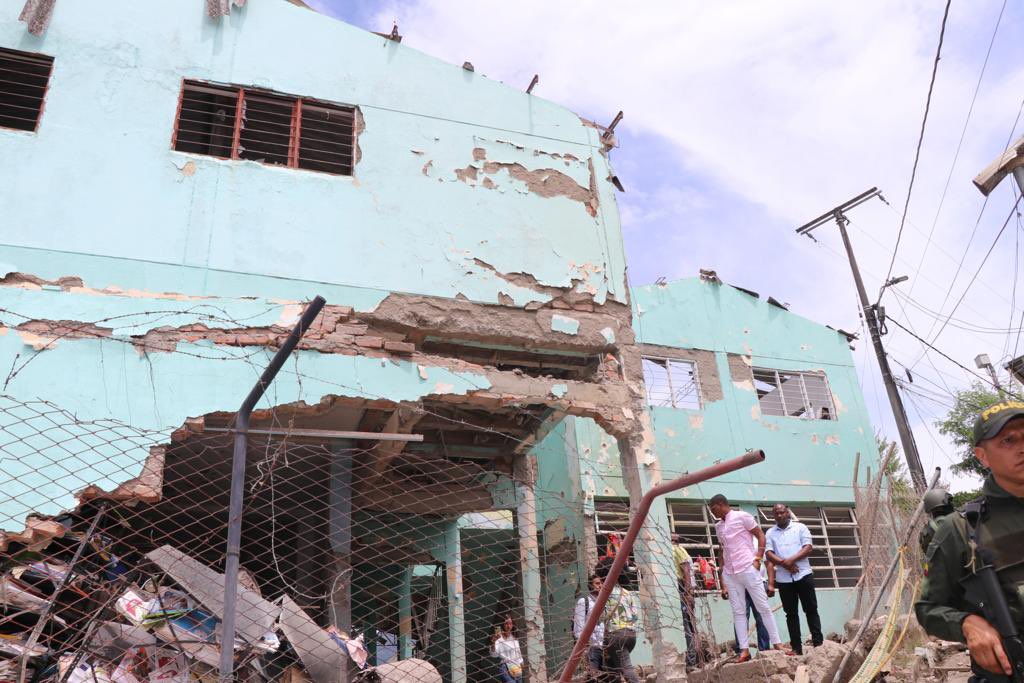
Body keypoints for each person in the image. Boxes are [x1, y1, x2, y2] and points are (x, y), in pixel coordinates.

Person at [915, 401, 1024, 682]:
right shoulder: (961, 528)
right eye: (1008, 440)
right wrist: (966, 623)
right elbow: (929, 609)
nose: (1021, 447)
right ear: (982, 456)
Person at [709, 493, 784, 662]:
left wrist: (757, 559)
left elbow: (760, 535)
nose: (712, 513)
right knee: (738, 612)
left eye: (713, 509)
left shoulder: (742, 516)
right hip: (730, 573)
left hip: (748, 568)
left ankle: (777, 643)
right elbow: (722, 550)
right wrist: (722, 576)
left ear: (722, 504)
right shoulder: (718, 526)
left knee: (763, 607)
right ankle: (744, 650)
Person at [765, 503, 823, 655]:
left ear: (788, 513)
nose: (779, 515)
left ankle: (819, 644)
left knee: (811, 610)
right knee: (790, 614)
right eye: (776, 513)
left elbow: (808, 548)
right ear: (773, 516)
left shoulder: (800, 527)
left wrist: (790, 561)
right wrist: (786, 565)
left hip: (803, 574)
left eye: (782, 512)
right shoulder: (770, 533)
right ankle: (796, 648)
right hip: (784, 580)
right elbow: (769, 554)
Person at [601, 571, 641, 683]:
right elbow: (635, 616)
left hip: (616, 635)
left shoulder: (605, 594)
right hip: (631, 634)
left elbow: (601, 617)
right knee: (612, 667)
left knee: (626, 667)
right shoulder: (627, 593)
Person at [671, 535, 699, 666]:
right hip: (676, 587)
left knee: (687, 624)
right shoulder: (672, 550)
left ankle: (692, 660)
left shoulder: (677, 550)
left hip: (682, 588)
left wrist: (688, 592)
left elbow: (686, 570)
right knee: (683, 624)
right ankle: (690, 658)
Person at [573, 575, 606, 677]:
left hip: (605, 647)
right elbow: (578, 627)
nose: (600, 586)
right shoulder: (584, 602)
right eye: (597, 583)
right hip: (591, 647)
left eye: (601, 583)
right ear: (590, 586)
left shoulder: (605, 602)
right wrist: (585, 647)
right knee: (593, 676)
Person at [918, 488, 955, 554]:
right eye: (949, 503)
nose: (952, 505)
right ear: (941, 507)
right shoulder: (956, 523)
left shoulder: (926, 533)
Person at [490, 615, 523, 683]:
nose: (508, 626)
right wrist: (493, 642)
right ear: (502, 625)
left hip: (517, 667)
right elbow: (494, 655)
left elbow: (518, 652)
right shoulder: (499, 638)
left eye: (510, 623)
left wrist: (521, 663)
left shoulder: (514, 636)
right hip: (505, 667)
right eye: (506, 623)